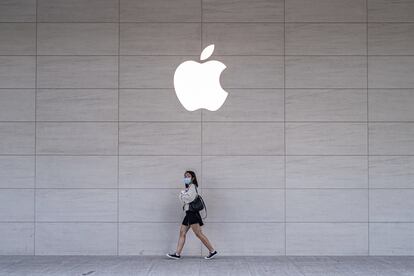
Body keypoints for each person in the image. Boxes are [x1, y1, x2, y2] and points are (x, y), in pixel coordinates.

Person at [166, 170, 217, 260]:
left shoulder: (193, 186)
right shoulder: (188, 188)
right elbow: (184, 201)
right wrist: (184, 194)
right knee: (182, 232)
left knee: (198, 234)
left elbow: (189, 199)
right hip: (188, 213)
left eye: (188, 176)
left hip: (192, 213)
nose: (186, 178)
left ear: (193, 178)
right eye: (185, 176)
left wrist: (182, 194)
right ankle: (177, 254)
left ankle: (212, 251)